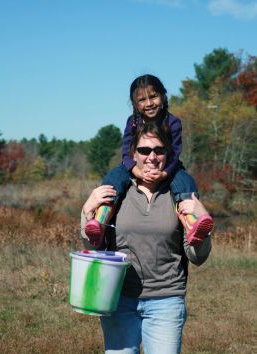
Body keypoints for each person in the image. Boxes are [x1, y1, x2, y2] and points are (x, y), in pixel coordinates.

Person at [81, 122, 213, 354]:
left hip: (166, 301)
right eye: (144, 149)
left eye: (158, 150)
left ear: (168, 153)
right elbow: (91, 244)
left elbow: (197, 257)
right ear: (133, 153)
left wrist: (202, 225)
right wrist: (86, 210)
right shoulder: (117, 191)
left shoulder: (180, 193)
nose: (151, 156)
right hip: (118, 299)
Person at [84, 74, 213, 247]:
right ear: (135, 104)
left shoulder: (172, 122)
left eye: (153, 96)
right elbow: (126, 152)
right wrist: (137, 171)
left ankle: (193, 226)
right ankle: (100, 223)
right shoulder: (133, 122)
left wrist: (163, 174)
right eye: (142, 100)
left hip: (169, 167)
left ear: (163, 96)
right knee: (112, 179)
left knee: (185, 182)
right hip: (133, 165)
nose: (149, 103)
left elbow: (175, 153)